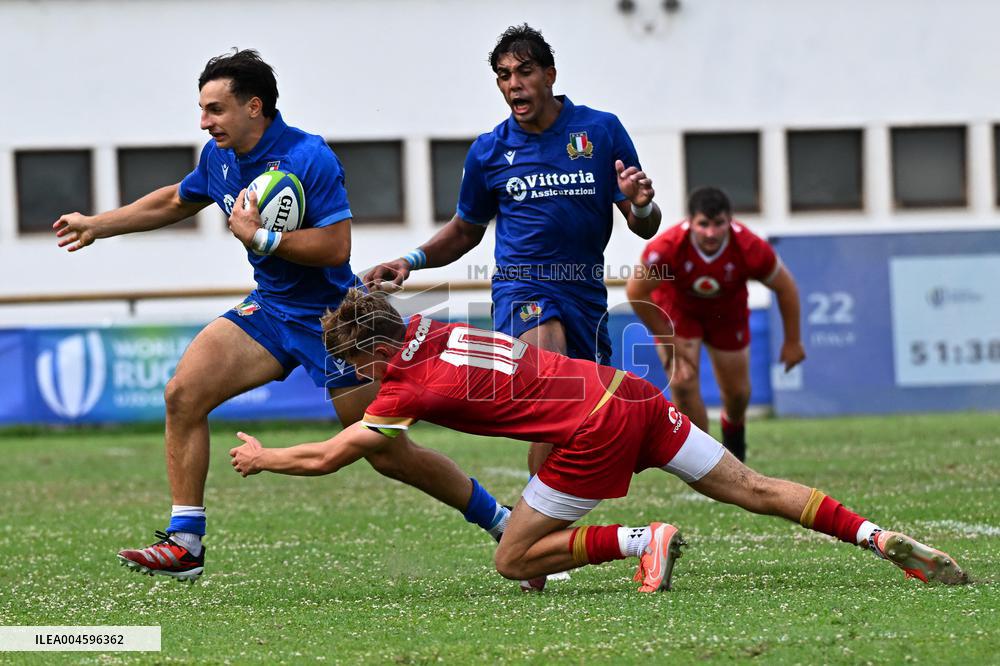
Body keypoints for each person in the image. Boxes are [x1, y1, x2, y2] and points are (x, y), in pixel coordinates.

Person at [52, 49, 510, 582]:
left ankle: (501, 520)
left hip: (337, 323)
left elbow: (336, 248)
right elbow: (177, 200)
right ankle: (185, 542)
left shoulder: (309, 157)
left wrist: (261, 238)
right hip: (269, 310)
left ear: (254, 106)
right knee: (182, 395)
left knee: (387, 453)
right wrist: (98, 225)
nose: (204, 121)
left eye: (215, 109)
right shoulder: (219, 157)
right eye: (202, 109)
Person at [229, 290, 968, 591]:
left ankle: (643, 540)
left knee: (512, 559)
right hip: (628, 393)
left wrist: (264, 459)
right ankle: (875, 537)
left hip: (594, 431)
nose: (356, 375)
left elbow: (331, 454)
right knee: (753, 488)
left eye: (355, 362)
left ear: (375, 351)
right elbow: (377, 317)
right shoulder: (429, 324)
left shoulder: (403, 387)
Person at [364, 24, 661, 481]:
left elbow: (645, 226)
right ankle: (536, 515)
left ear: (550, 75)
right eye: (504, 76)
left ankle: (543, 512)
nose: (514, 84)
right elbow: (465, 230)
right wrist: (410, 260)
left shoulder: (600, 131)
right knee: (553, 387)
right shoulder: (490, 150)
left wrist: (640, 204)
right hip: (523, 287)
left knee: (579, 420)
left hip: (583, 292)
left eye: (524, 72)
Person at [626, 187, 806, 461]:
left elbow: (786, 287)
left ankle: (733, 431)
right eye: (703, 224)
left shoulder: (749, 247)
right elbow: (636, 291)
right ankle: (703, 461)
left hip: (728, 315)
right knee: (683, 383)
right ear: (690, 222)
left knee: (738, 394)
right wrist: (670, 340)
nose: (710, 233)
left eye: (718, 224)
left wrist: (792, 342)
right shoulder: (669, 246)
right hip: (680, 314)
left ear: (730, 221)